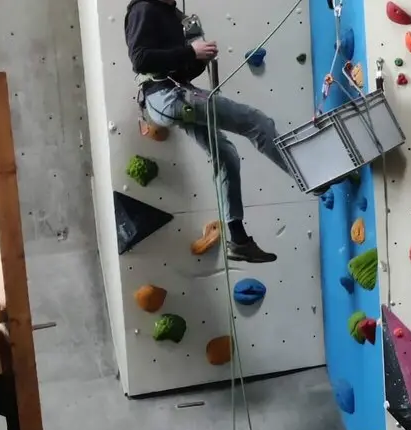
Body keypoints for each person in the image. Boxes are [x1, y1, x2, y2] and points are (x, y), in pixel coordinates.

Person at [124, 0, 299, 263]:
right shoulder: (144, 8)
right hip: (166, 96)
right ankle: (308, 175)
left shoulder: (173, 15)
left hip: (172, 95)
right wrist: (189, 51)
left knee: (226, 155)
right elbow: (140, 59)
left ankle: (238, 241)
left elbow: (186, 67)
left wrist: (198, 55)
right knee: (256, 122)